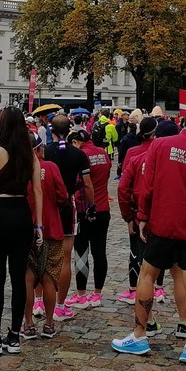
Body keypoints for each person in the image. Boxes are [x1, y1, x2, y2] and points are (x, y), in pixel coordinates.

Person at [111, 105, 186, 366]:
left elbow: (148, 185)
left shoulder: (160, 146)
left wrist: (143, 216)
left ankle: (139, 335)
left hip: (162, 223)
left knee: (147, 276)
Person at [0, 106, 43, 355]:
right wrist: (39, 225)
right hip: (22, 214)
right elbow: (37, 191)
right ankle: (14, 334)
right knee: (18, 278)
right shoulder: (30, 155)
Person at [115, 116, 168, 323]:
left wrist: (127, 214)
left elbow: (123, 186)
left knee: (135, 251)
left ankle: (133, 289)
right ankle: (159, 288)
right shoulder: (161, 153)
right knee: (159, 252)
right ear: (155, 134)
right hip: (158, 211)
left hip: (137, 212)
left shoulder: (133, 153)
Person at [43, 115, 95, 321]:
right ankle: (60, 305)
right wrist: (91, 206)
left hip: (45, 204)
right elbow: (88, 184)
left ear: (51, 130)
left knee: (39, 255)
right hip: (68, 204)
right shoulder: (78, 154)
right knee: (65, 257)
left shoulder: (44, 151)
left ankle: (39, 301)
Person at [24, 134, 68, 338]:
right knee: (50, 278)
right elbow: (63, 196)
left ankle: (29, 324)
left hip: (26, 228)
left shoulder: (20, 169)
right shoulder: (51, 167)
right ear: (38, 150)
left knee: (27, 277)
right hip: (52, 227)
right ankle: (49, 323)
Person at [67, 125, 112, 308]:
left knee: (81, 251)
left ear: (77, 142)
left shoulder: (81, 156)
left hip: (85, 209)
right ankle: (98, 293)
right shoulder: (103, 153)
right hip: (104, 208)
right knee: (100, 252)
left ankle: (81, 294)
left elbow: (82, 183)